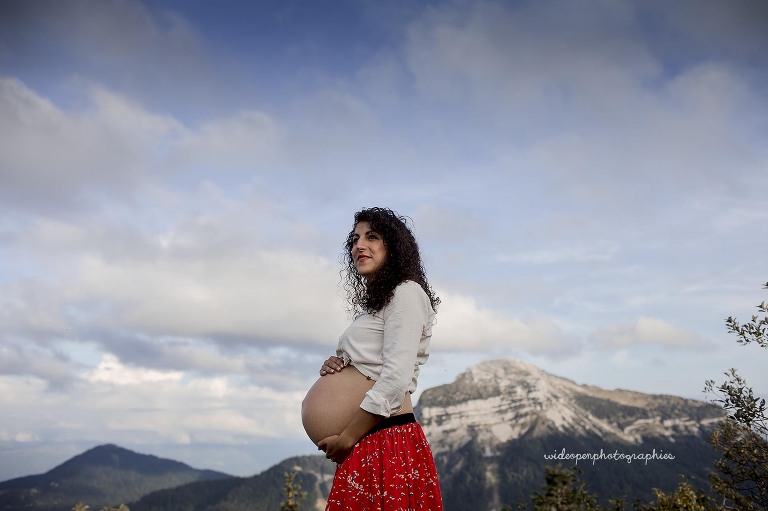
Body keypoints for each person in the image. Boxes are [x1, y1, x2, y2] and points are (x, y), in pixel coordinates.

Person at [316, 207, 444, 510]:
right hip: (367, 439)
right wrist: (339, 366)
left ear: (394, 247)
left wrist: (346, 438)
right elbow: (370, 366)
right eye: (355, 239)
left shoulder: (406, 293)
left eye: (371, 237)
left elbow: (396, 379)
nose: (359, 245)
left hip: (385, 439)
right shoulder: (380, 304)